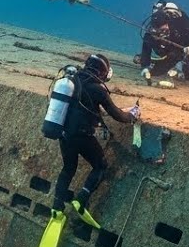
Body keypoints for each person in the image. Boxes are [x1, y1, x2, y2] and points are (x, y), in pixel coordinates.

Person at [50, 54, 139, 229]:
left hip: (63, 134)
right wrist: (133, 114)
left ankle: (56, 208)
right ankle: (81, 200)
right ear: (102, 72)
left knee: (68, 169)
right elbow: (118, 115)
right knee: (100, 165)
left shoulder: (70, 81)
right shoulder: (98, 89)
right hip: (82, 136)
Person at [134, 0, 189, 82]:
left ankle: (173, 66)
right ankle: (158, 64)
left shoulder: (179, 24)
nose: (163, 32)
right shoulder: (150, 34)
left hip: (184, 47)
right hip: (168, 50)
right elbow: (146, 48)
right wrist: (144, 66)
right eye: (159, 30)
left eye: (164, 29)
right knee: (162, 58)